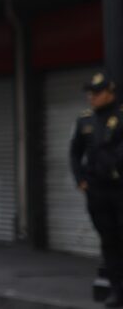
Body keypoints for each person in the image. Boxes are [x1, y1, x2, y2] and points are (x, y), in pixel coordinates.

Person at [70, 71, 123, 307]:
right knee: (108, 240)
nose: (92, 97)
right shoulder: (85, 120)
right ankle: (117, 291)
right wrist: (80, 180)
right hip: (98, 192)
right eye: (90, 93)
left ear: (110, 92)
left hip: (120, 189)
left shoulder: (120, 117)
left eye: (97, 92)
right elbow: (75, 152)